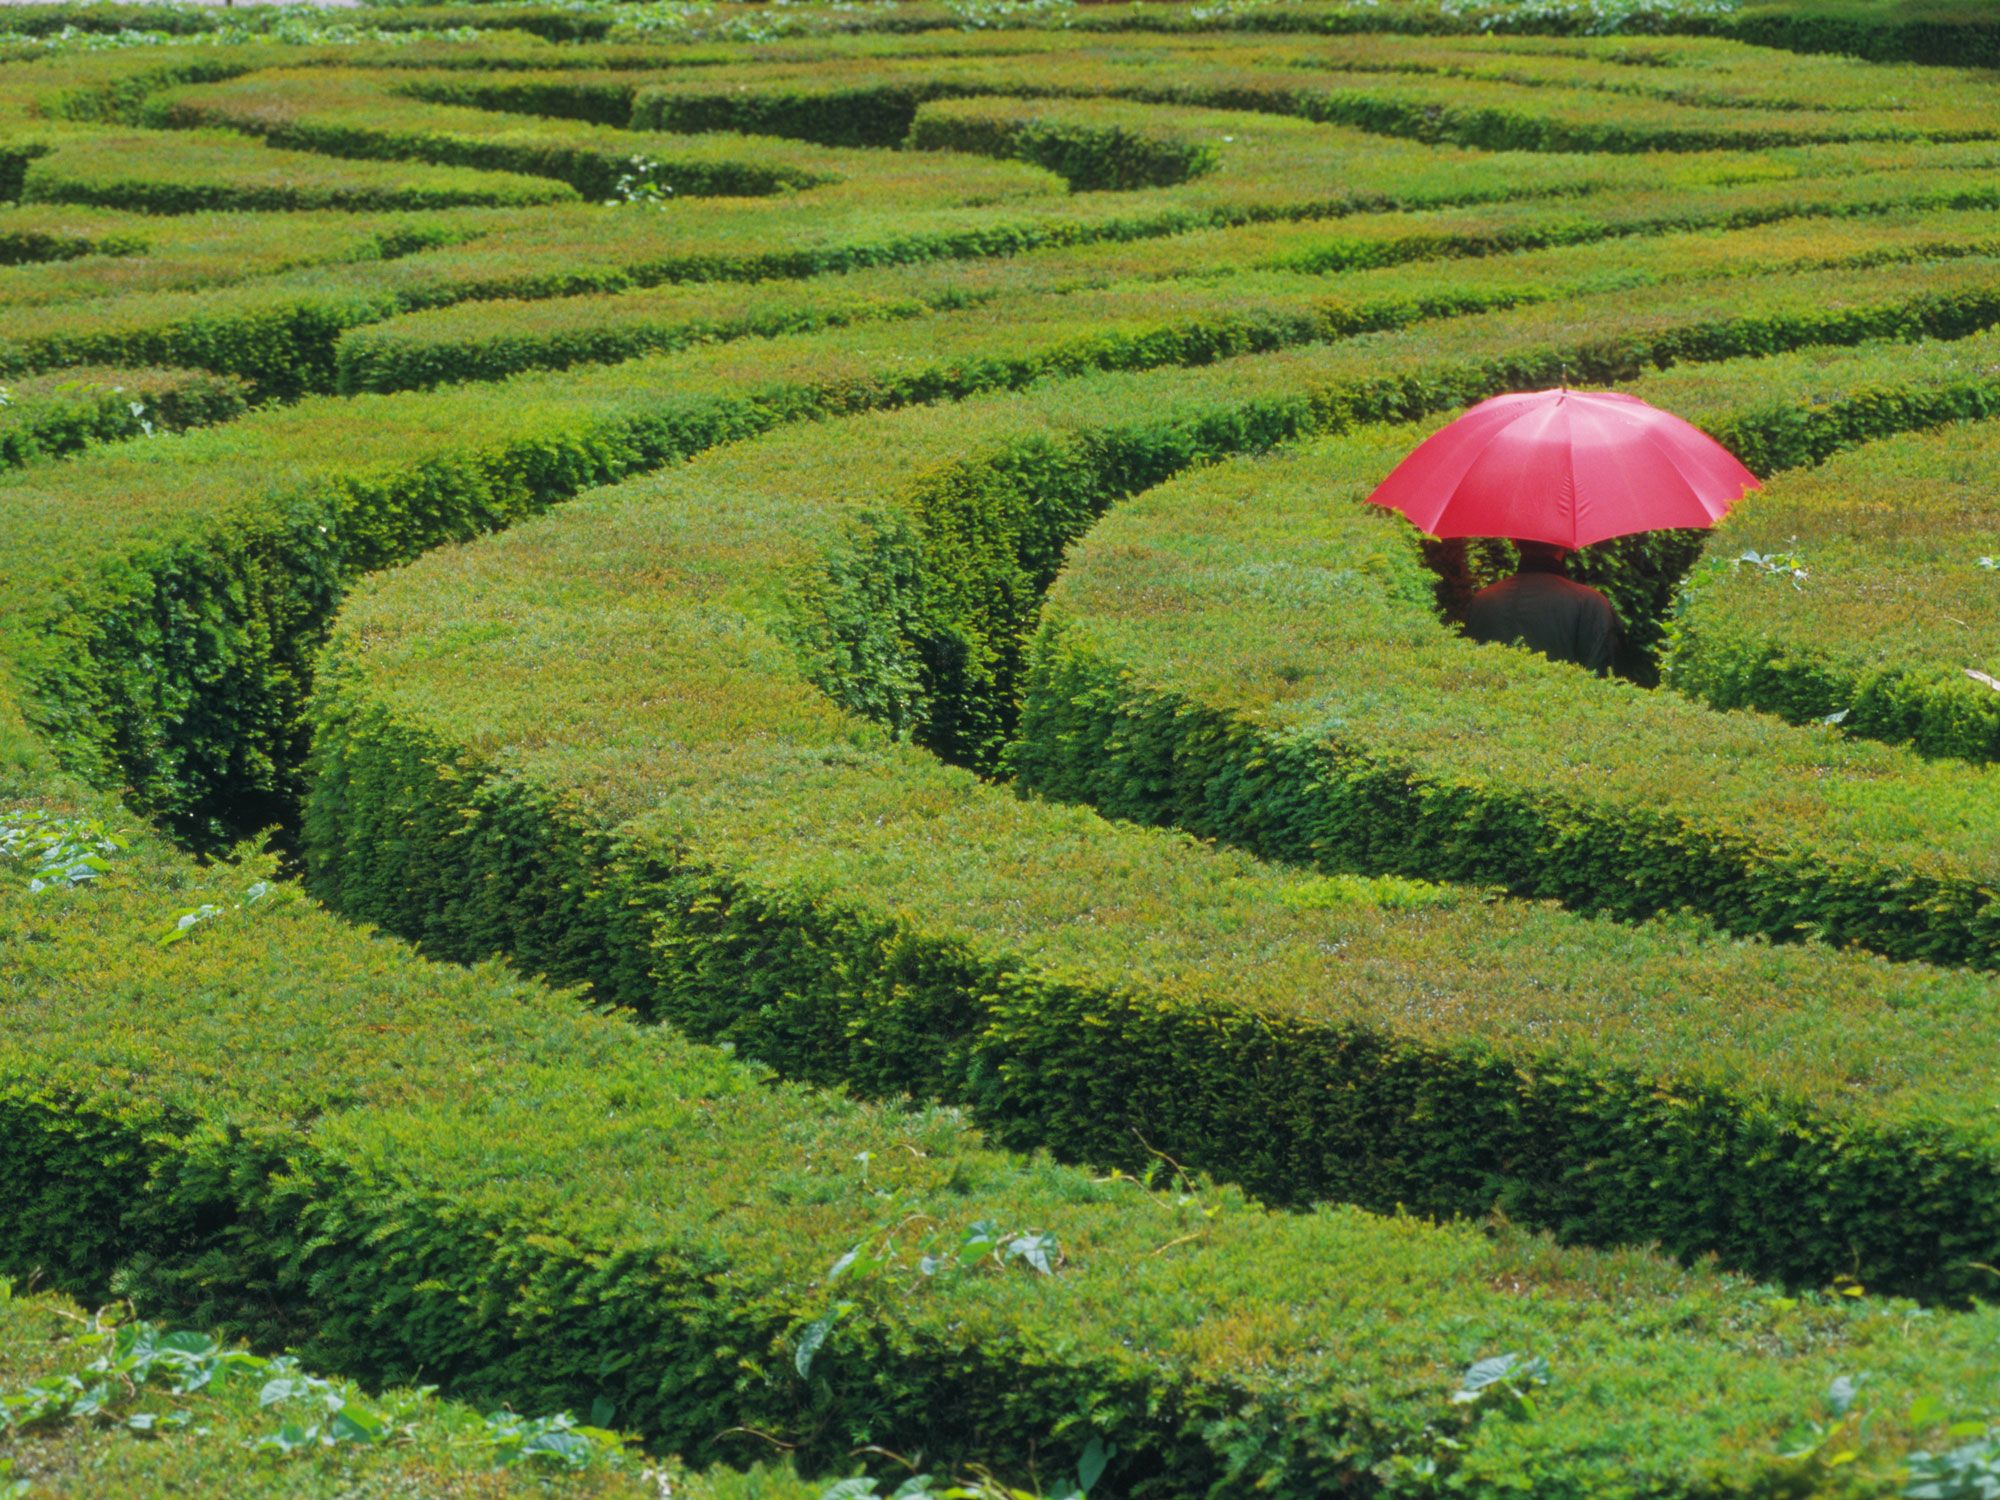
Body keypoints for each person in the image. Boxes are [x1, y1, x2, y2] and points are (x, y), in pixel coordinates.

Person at [1462, 540, 1617, 675]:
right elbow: (1604, 682)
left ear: (1513, 541)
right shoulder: (1591, 604)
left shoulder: (1482, 602)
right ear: (1566, 544)